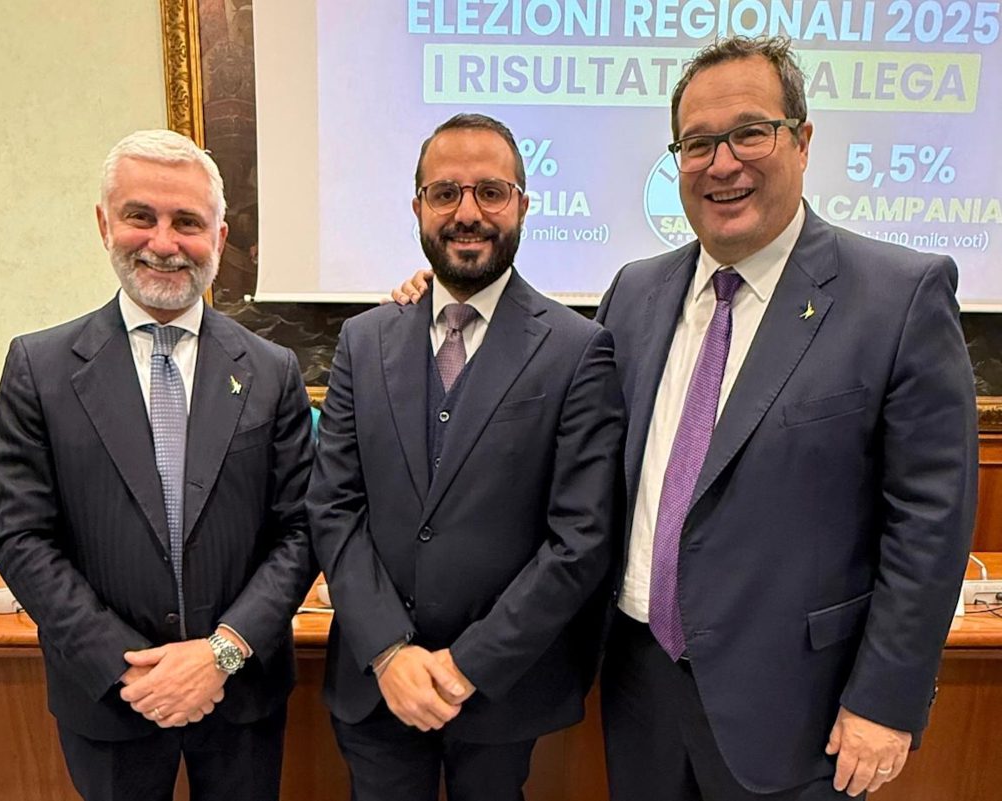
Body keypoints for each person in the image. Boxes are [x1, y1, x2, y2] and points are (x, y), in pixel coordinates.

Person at [392, 37, 977, 801]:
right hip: (640, 689)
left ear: (802, 141)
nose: (722, 163)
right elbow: (546, 419)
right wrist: (438, 310)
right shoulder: (634, 294)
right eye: (697, 143)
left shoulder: (897, 296)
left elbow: (929, 523)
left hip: (800, 708)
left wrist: (886, 699)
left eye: (749, 133)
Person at [0, 129, 315, 801]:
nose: (163, 242)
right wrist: (129, 667)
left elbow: (300, 530)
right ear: (105, 223)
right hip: (109, 698)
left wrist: (221, 650)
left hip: (242, 692)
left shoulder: (273, 370)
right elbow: (22, 537)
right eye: (142, 216)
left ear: (219, 239)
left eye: (187, 222)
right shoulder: (38, 367)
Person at [308, 113, 624, 801]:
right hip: (375, 683)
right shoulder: (364, 341)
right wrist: (391, 651)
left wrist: (466, 665)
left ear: (523, 205)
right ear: (418, 205)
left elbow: (581, 537)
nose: (468, 212)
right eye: (445, 192)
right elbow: (333, 505)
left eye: (491, 191)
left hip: (501, 694)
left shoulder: (578, 350)